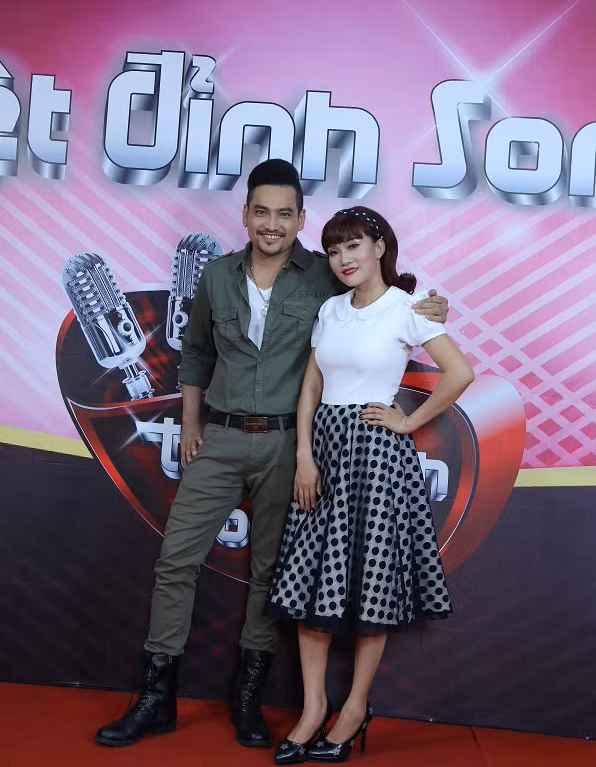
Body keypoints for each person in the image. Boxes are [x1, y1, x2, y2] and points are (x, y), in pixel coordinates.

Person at [94, 161, 449, 749]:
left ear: (301, 219)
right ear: (245, 214)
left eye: (285, 213)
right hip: (221, 436)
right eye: (262, 211)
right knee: (175, 560)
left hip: (290, 443)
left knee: (268, 572)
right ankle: (156, 699)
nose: (272, 224)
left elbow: (379, 296)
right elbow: (196, 353)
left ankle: (248, 700)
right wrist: (190, 422)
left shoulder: (325, 274)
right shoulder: (215, 275)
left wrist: (431, 306)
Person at [268, 206, 474, 764]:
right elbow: (312, 385)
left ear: (379, 248)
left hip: (378, 459)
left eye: (353, 246)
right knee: (310, 580)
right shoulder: (331, 309)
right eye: (335, 250)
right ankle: (313, 709)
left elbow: (460, 373)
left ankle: (355, 708)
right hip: (324, 452)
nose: (343, 259)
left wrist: (408, 422)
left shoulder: (408, 308)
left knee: (371, 583)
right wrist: (305, 454)